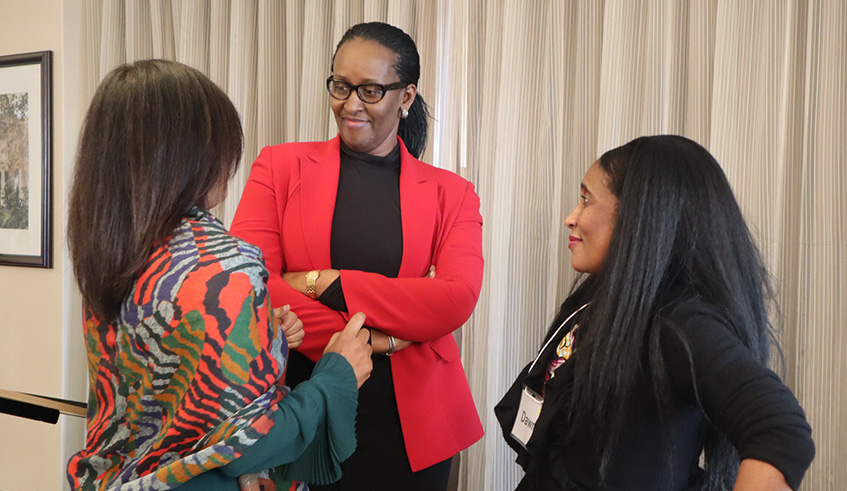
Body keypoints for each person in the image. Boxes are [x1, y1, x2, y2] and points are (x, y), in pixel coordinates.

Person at [66, 59, 373, 490]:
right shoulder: (224, 268)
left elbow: (167, 386)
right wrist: (337, 374)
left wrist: (265, 337)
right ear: (190, 155)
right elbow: (247, 442)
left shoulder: (111, 254)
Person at [230, 21, 484, 491]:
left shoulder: (453, 193)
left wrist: (323, 282)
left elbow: (454, 300)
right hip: (301, 407)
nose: (350, 104)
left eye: (370, 90)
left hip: (410, 428)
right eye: (341, 85)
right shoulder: (279, 167)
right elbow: (252, 282)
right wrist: (380, 341)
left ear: (406, 97)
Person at [495, 135, 815, 490]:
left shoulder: (679, 325)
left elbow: (780, 430)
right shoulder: (605, 297)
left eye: (586, 200)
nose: (571, 218)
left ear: (638, 215)